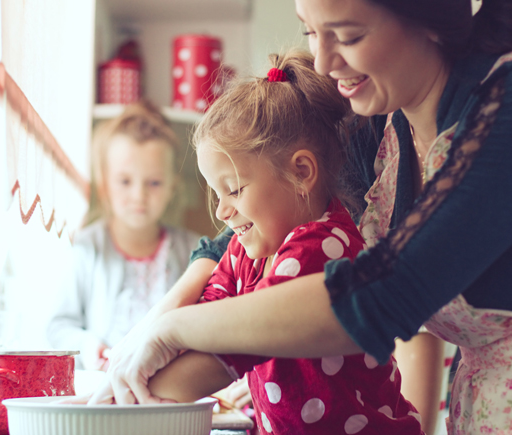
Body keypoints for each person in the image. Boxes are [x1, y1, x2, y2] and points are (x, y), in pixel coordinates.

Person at [96, 0, 512, 432]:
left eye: (345, 35)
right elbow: (238, 235)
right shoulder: (380, 124)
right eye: (310, 33)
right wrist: (149, 336)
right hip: (500, 406)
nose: (324, 61)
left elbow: (377, 298)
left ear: (428, 17)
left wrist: (172, 330)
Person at [143, 50, 423, 435]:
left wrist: (131, 393)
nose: (223, 212)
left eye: (234, 190)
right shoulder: (247, 248)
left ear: (301, 172)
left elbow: (229, 348)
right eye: (216, 195)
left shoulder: (323, 246)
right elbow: (210, 307)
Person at [47, 101, 200, 371]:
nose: (138, 196)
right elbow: (59, 326)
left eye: (153, 183)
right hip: (104, 389)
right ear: (105, 185)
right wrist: (89, 347)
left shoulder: (195, 252)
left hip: (170, 391)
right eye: (125, 181)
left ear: (172, 187)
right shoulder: (87, 247)